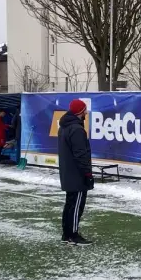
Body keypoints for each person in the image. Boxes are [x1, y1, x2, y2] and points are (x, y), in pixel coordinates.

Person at [58, 99, 94, 246]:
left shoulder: (64, 127)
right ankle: (73, 235)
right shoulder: (77, 129)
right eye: (84, 110)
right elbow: (81, 154)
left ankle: (66, 234)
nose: (86, 113)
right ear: (80, 112)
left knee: (70, 204)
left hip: (68, 172)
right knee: (76, 205)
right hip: (77, 174)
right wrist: (87, 174)